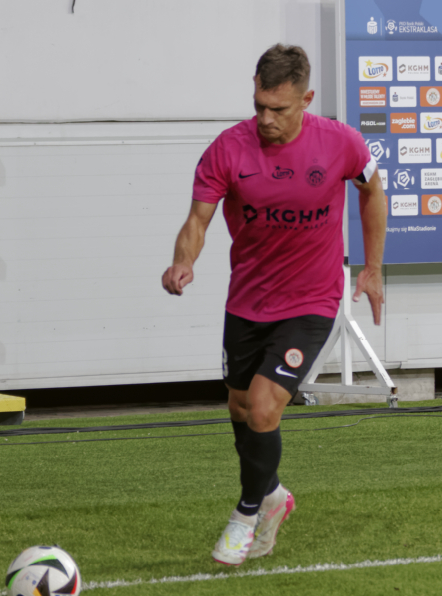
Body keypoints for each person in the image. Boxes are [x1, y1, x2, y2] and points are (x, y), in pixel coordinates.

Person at [161, 44, 386, 566]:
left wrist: (373, 267)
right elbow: (198, 219)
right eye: (260, 105)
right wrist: (183, 261)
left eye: (279, 109)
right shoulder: (227, 149)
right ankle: (273, 495)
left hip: (311, 300)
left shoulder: (341, 143)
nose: (266, 118)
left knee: (264, 407)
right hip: (247, 300)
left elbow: (372, 192)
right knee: (241, 409)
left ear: (306, 99)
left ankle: (245, 516)